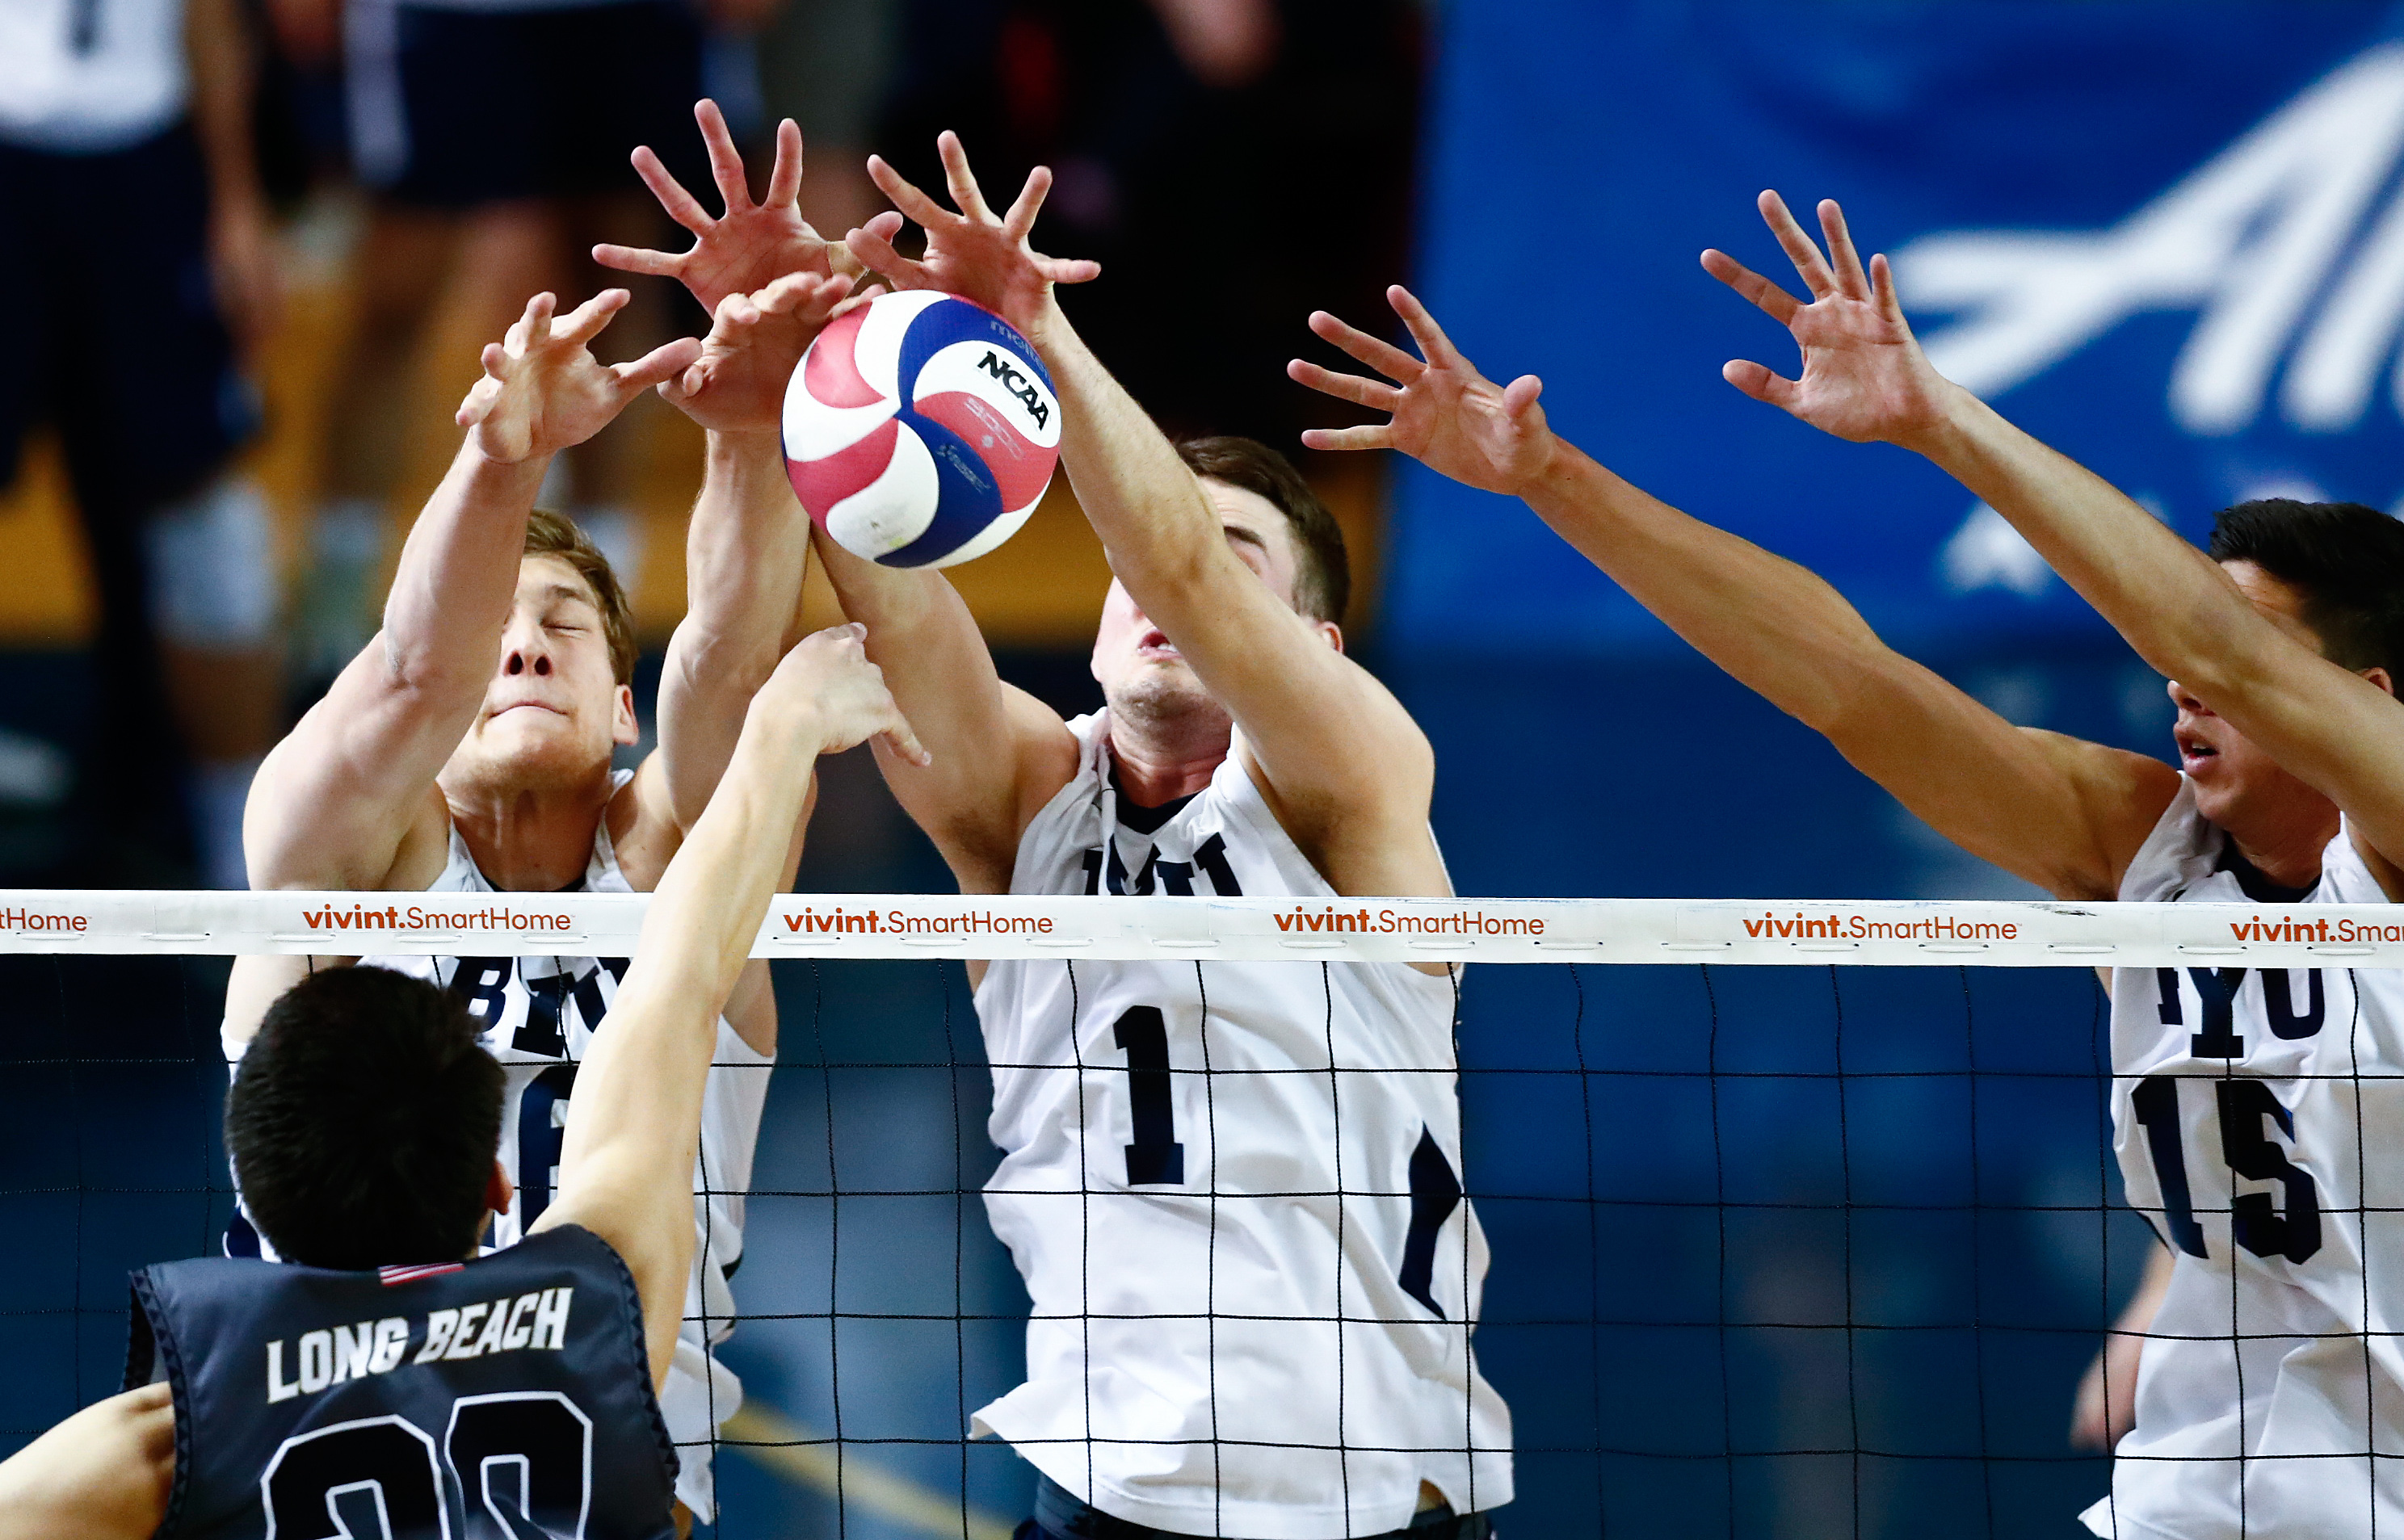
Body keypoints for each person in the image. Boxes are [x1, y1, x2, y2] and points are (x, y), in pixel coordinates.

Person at [1293, 192, 2404, 1536]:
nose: (2181, 678)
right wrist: (1550, 478)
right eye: (2184, 653)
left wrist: (1938, 417)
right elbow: (1847, 681)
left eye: (2244, 657)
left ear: (2368, 696)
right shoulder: (2145, 848)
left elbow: (2216, 648)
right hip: (2191, 1499)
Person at [805, 133, 1509, 1540]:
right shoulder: (1025, 798)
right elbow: (889, 599)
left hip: (1369, 1505)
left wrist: (1036, 333)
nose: (1154, 577)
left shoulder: (1350, 782)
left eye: (1227, 555)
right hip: (1104, 1499)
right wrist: (814, 361)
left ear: (1308, 645)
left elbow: (1177, 557)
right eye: (1131, 560)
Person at [221, 109, 860, 1522]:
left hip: (620, 1493)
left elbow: (727, 666)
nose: (522, 649)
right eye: (501, 627)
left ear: (620, 708)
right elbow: (407, 675)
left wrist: (753, 433)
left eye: (563, 627)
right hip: (334, 1480)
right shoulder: (338, 863)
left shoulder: (678, 860)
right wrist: (504, 464)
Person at [0, 620, 924, 1538]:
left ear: (259, 1193)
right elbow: (678, 977)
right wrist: (786, 726)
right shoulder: (598, 1316)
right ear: (496, 1186)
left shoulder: (176, 1434)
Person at [0, 0, 284, 887]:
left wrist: (236, 200)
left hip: (149, 159)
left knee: (206, 514)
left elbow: (210, 17)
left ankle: (242, 862)